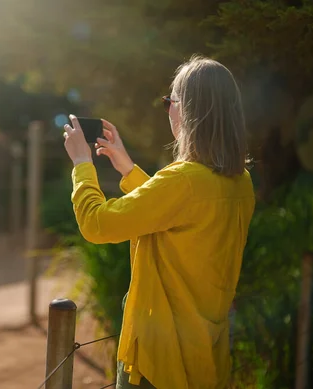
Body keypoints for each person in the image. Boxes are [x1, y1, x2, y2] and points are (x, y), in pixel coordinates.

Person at [62, 55, 255, 389]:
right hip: (207, 358)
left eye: (171, 101)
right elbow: (178, 218)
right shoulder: (240, 183)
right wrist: (128, 169)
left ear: (189, 110)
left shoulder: (182, 181)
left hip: (159, 363)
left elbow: (96, 224)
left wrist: (82, 164)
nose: (167, 109)